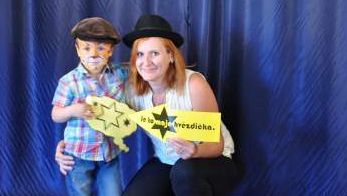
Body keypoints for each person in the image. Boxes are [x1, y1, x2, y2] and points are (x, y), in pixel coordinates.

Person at [56, 14, 239, 196]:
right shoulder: (131, 91)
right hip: (167, 161)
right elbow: (102, 116)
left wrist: (195, 150)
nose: (146, 62)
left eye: (154, 53)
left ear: (171, 55)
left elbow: (216, 145)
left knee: (185, 172)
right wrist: (67, 146)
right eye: (140, 54)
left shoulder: (194, 85)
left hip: (211, 161)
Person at [52, 17, 127, 196]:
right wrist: (72, 110)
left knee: (113, 193)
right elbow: (55, 114)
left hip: (109, 153)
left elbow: (140, 70)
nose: (93, 54)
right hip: (78, 154)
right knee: (80, 192)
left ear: (110, 50)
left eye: (100, 48)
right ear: (78, 49)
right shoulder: (69, 81)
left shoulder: (119, 74)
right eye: (86, 48)